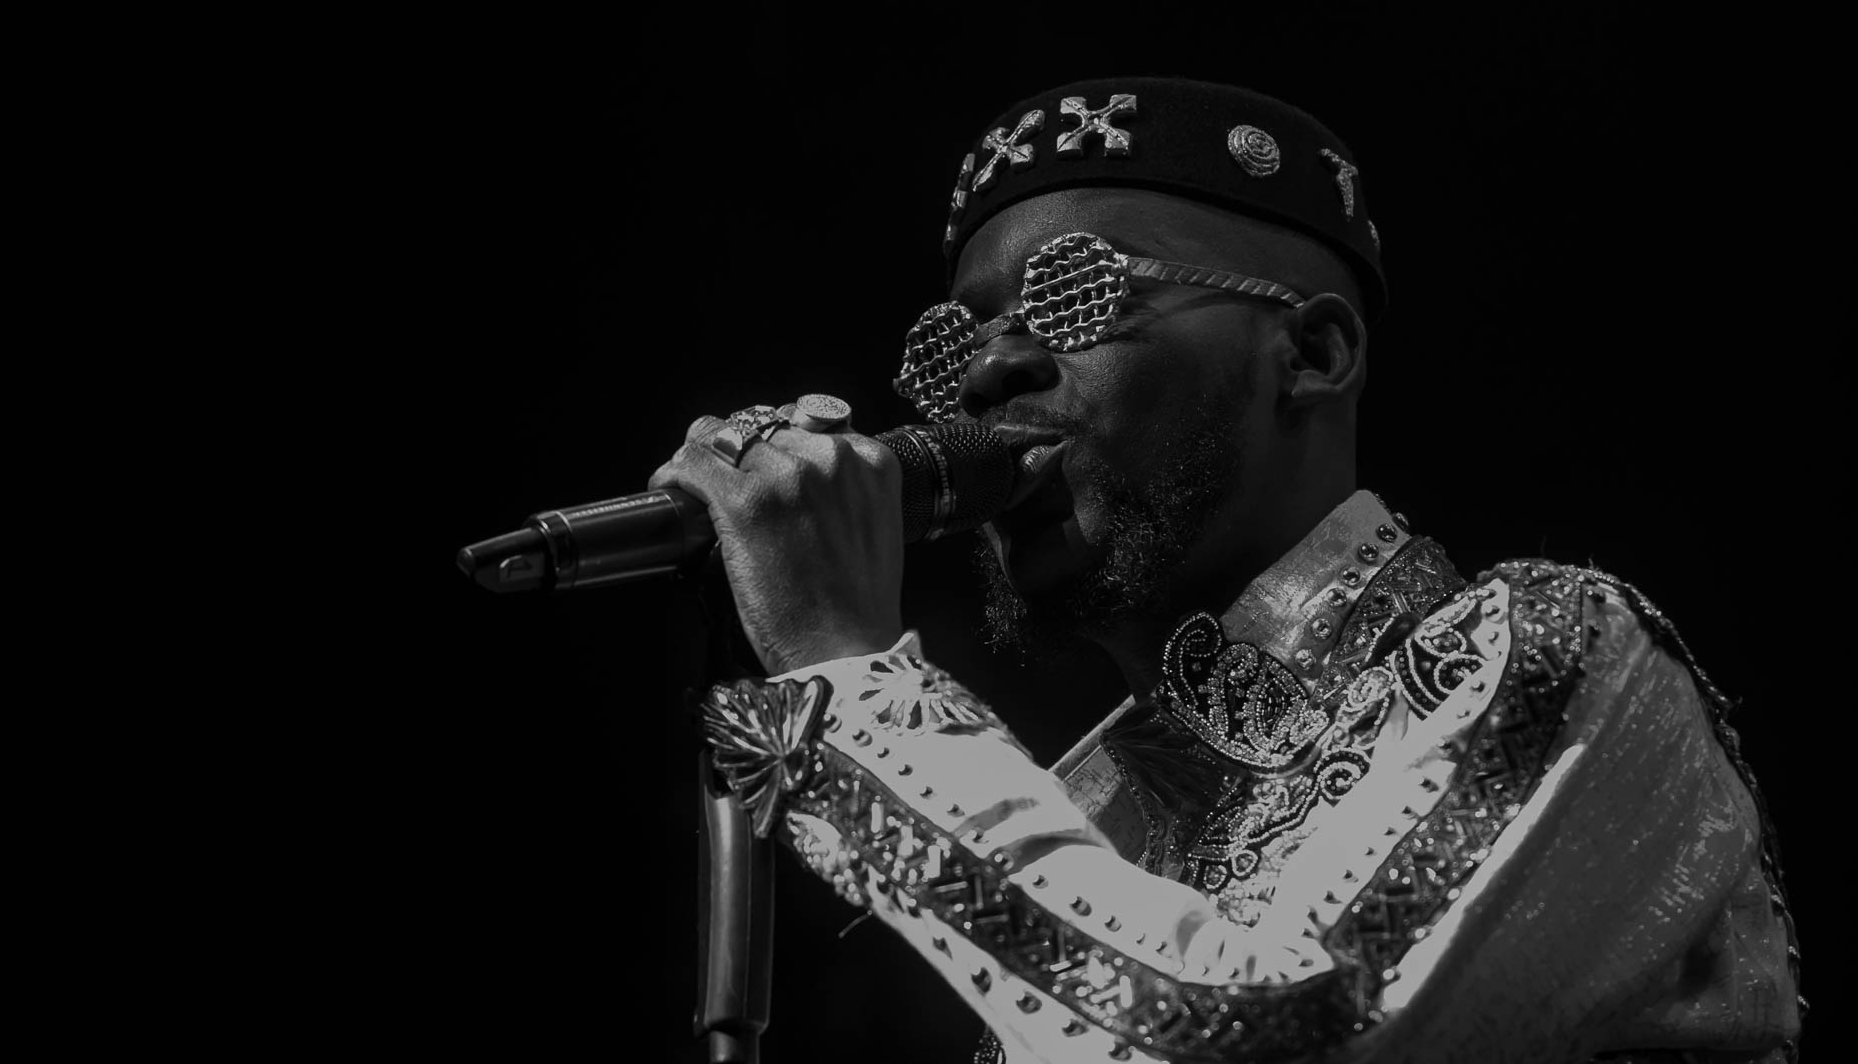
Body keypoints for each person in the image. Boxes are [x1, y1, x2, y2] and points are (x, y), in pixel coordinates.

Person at [654, 78, 1804, 1062]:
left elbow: (1273, 1033)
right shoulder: (1091, 812)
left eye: (1075, 294)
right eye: (954, 342)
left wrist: (847, 673)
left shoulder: (1557, 649)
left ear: (1309, 352)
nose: (992, 368)